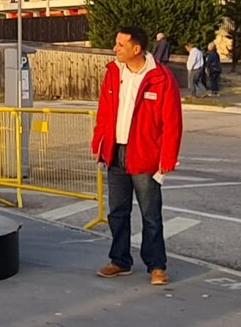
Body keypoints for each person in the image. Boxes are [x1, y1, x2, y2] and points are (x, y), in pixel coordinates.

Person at [91, 26, 182, 286]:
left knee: (150, 214)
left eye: (121, 45)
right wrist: (99, 142)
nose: (115, 49)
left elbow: (172, 121)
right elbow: (104, 112)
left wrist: (167, 157)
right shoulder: (113, 72)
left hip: (144, 154)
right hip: (115, 152)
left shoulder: (161, 77)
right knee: (117, 212)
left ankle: (156, 265)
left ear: (136, 49)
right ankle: (120, 260)